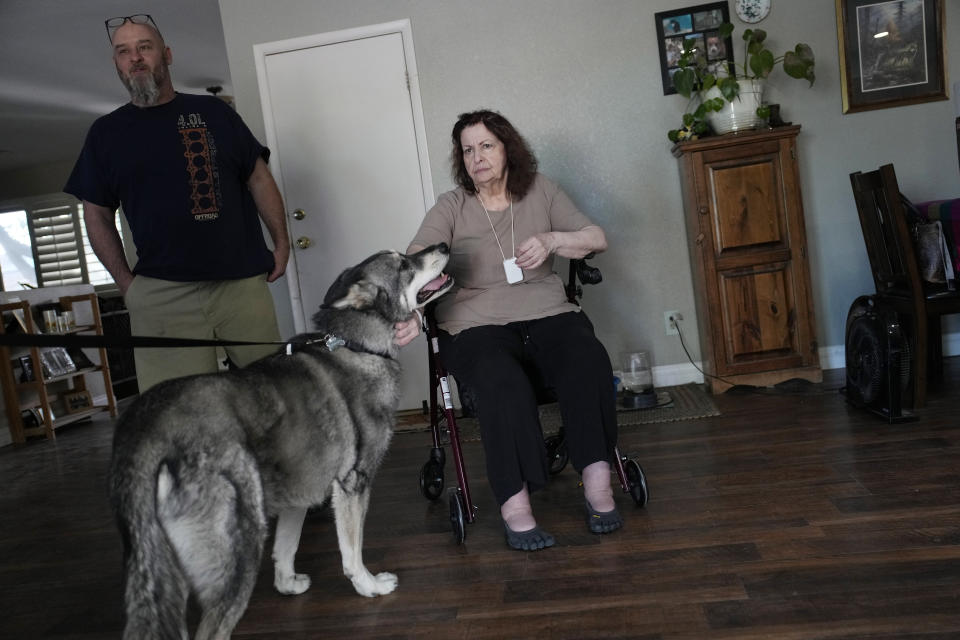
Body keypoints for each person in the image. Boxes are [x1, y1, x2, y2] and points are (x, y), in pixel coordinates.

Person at [395, 109, 620, 551]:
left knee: (586, 358)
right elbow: (416, 259)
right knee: (501, 382)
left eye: (486, 146)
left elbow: (597, 237)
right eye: (467, 150)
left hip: (548, 313)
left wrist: (553, 240)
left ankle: (599, 488)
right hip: (476, 324)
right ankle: (516, 507)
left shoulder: (541, 190)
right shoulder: (452, 206)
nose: (476, 157)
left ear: (507, 148)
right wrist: (412, 308)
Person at [64, 14, 290, 391]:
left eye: (144, 47)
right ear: (117, 64)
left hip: (240, 285)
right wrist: (126, 284)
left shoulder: (215, 113)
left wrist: (281, 244)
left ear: (166, 55)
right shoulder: (105, 134)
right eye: (124, 51)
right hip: (160, 294)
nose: (135, 58)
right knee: (176, 410)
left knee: (273, 394)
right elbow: (97, 214)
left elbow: (259, 178)